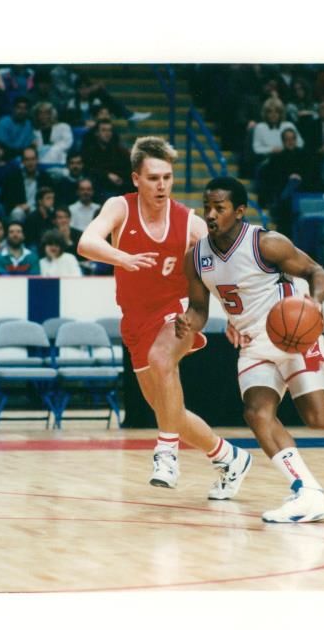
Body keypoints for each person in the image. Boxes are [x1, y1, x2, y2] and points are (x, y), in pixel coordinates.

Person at [177, 176, 324, 524]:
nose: (211, 214)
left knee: (318, 418)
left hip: (294, 335)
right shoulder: (196, 257)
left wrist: (317, 302)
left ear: (239, 211)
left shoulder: (266, 243)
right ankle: (307, 491)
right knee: (256, 413)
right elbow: (199, 309)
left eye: (220, 207)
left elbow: (315, 271)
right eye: (207, 207)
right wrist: (187, 321)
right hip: (252, 344)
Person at [77, 136, 250, 494]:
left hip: (177, 312)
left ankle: (167, 454)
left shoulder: (190, 222)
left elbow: (221, 270)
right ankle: (230, 457)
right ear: (136, 179)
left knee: (161, 358)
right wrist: (121, 257)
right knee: (168, 410)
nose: (162, 185)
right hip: (135, 320)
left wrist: (235, 316)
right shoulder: (119, 207)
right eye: (154, 177)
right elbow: (86, 242)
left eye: (167, 177)